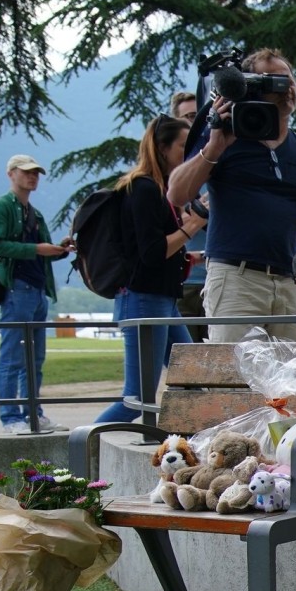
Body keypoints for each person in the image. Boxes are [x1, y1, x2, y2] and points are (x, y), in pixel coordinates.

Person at [168, 47, 296, 343]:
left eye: (289, 80)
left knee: (291, 380)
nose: (286, 89)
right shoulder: (222, 139)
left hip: (288, 280)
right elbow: (178, 194)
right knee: (236, 380)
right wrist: (215, 146)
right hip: (235, 278)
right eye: (273, 80)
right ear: (249, 86)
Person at [96, 117, 207, 424]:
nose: (186, 153)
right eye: (182, 146)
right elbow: (152, 252)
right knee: (137, 400)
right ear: (162, 148)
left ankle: (194, 442)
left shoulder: (159, 190)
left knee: (192, 381)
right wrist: (192, 226)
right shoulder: (143, 189)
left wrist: (188, 254)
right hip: (144, 301)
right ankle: (78, 454)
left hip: (163, 301)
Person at [0, 154, 73, 433]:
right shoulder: (0, 206)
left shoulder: (35, 213)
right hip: (16, 289)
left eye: (35, 172)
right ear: (11, 174)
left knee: (35, 359)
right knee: (12, 357)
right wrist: (37, 249)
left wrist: (58, 249)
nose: (32, 177)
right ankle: (10, 417)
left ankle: (33, 414)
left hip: (37, 291)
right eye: (26, 172)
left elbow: (42, 253)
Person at [169, 91, 209, 342]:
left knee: (224, 367)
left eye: (200, 115)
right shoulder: (169, 175)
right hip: (182, 283)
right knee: (186, 367)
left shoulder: (220, 165)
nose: (194, 122)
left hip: (219, 280)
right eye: (189, 116)